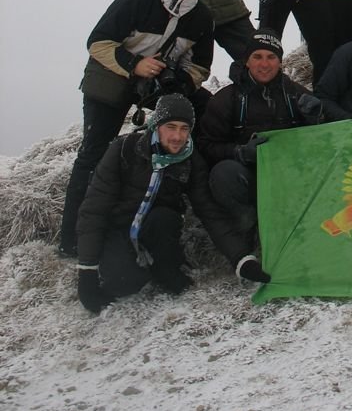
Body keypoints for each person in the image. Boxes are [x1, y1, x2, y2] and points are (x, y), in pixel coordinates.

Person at [59, 0, 214, 257]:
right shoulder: (135, 1)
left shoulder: (201, 17)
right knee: (93, 153)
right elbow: (97, 43)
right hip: (111, 78)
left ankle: (190, 189)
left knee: (205, 107)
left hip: (155, 81)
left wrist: (180, 84)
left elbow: (200, 67)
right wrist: (134, 65)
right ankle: (72, 238)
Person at [75, 94, 269, 314]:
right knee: (125, 282)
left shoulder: (190, 160)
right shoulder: (124, 149)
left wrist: (242, 259)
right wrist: (87, 271)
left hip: (156, 227)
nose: (178, 136)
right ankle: (128, 263)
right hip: (117, 227)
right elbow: (94, 209)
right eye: (171, 127)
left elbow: (209, 212)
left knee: (166, 217)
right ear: (156, 126)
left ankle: (163, 268)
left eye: (184, 129)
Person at [198, 30, 317, 240]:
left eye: (271, 57)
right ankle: (249, 223)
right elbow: (206, 146)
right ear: (247, 61)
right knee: (223, 174)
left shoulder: (295, 93)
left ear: (280, 62)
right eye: (257, 57)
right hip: (249, 177)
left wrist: (316, 117)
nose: (264, 64)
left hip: (290, 174)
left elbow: (321, 138)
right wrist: (240, 152)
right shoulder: (225, 100)